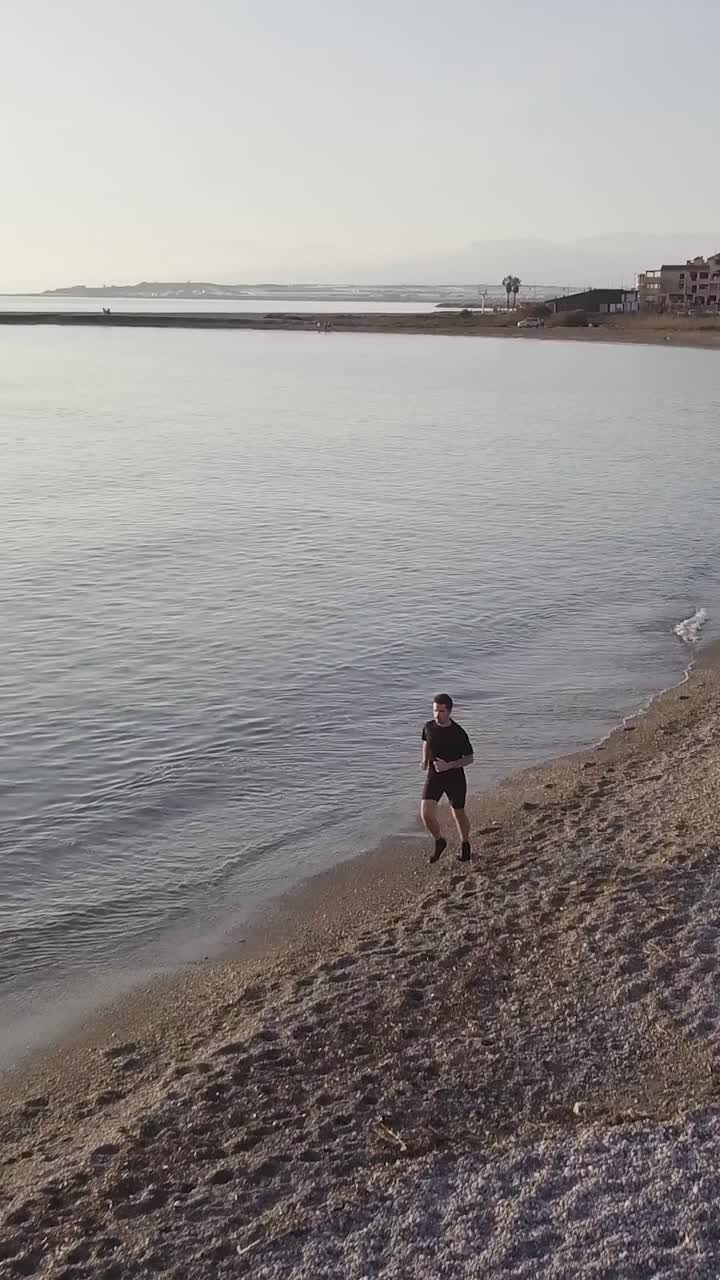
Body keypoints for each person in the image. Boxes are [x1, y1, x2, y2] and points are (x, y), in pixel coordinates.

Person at [420, 693, 474, 864]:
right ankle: (439, 840)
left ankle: (465, 845)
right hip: (434, 776)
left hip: (454, 778)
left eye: (442, 711)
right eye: (435, 711)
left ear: (449, 711)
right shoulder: (428, 726)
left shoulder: (458, 733)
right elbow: (426, 741)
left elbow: (469, 758)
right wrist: (424, 760)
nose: (437, 715)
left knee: (458, 813)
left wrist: (449, 765)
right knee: (426, 815)